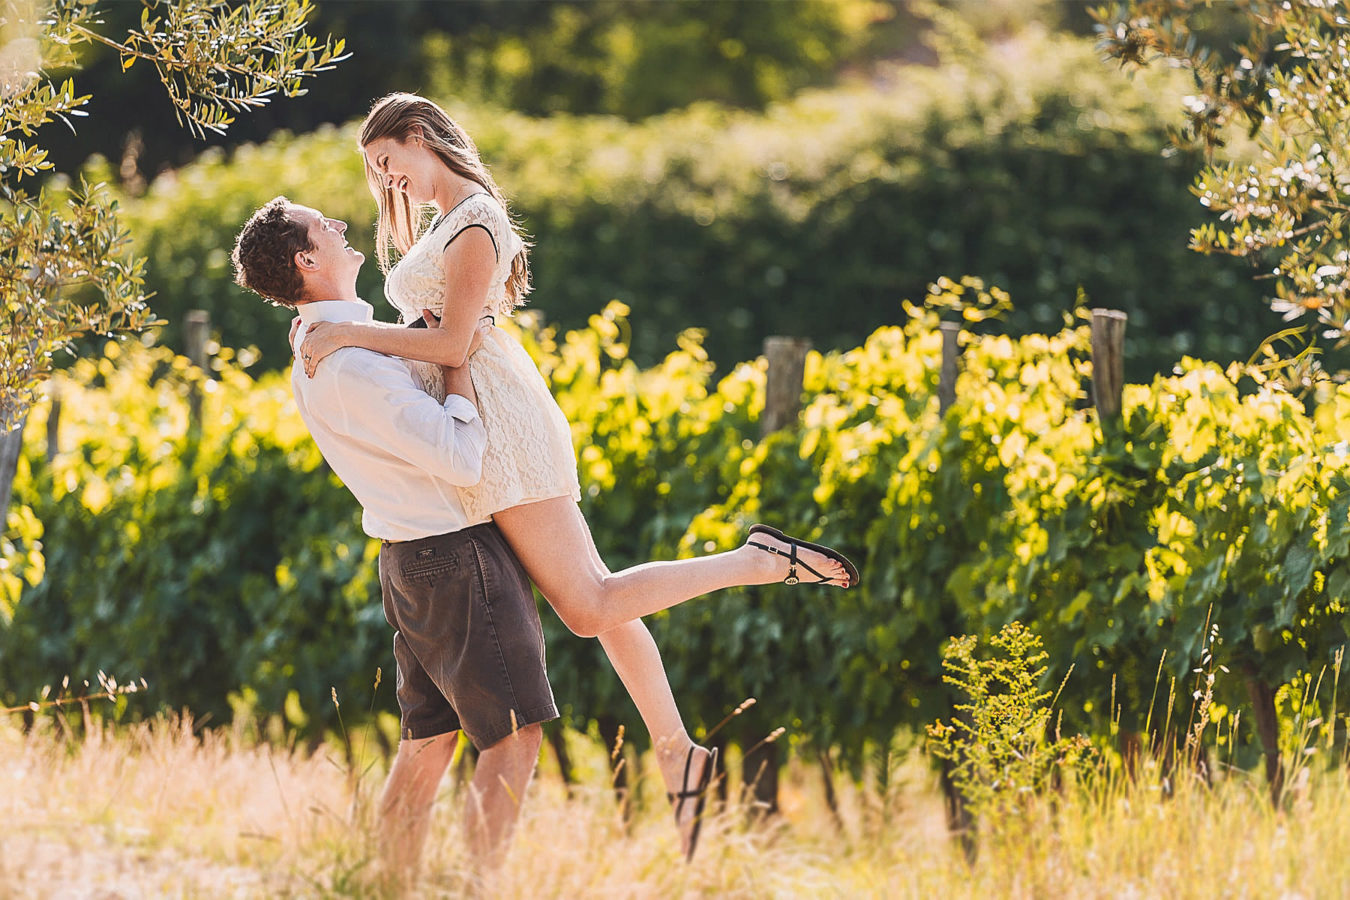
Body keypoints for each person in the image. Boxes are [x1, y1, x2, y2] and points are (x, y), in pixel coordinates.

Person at [299, 92, 861, 860]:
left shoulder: (474, 221)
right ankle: (676, 747)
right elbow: (436, 335)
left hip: (503, 430)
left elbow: (456, 343)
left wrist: (344, 332)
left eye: (388, 162)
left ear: (421, 137)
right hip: (482, 432)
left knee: (589, 605)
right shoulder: (443, 221)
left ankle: (753, 563)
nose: (387, 181)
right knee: (594, 593)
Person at [231, 197, 553, 891]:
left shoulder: (336, 345)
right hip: (454, 558)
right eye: (328, 228)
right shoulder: (352, 364)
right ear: (306, 261)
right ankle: (480, 889)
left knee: (429, 743)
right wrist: (458, 363)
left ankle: (385, 886)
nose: (344, 229)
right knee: (515, 736)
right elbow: (461, 459)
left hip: (414, 563)